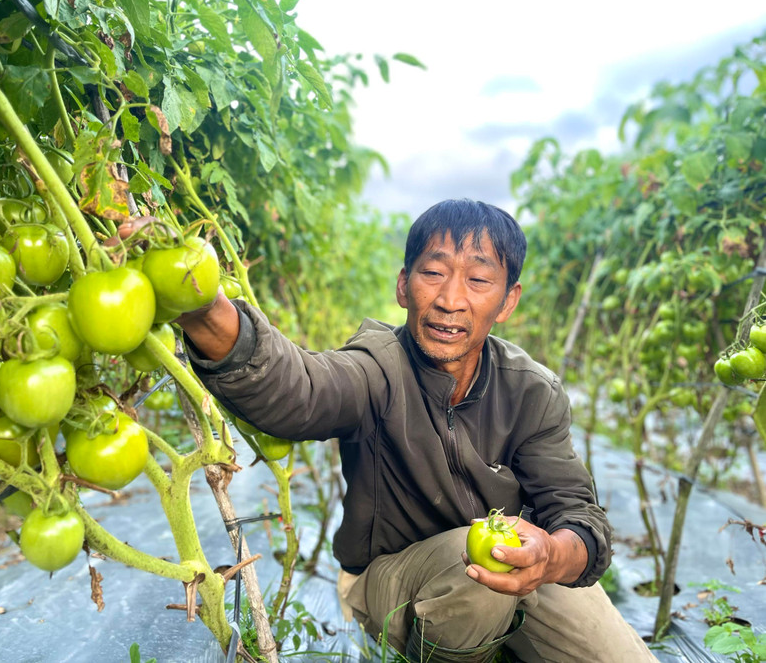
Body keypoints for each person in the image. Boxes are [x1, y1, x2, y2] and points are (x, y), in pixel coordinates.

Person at [176, 199, 655, 662]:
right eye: (433, 273)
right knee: (481, 576)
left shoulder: (531, 391)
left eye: (479, 280)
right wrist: (203, 308)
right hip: (389, 577)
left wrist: (550, 554)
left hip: (511, 564)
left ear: (508, 301)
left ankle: (496, 627)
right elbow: (300, 389)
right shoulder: (378, 369)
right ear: (404, 286)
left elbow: (576, 512)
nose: (450, 300)